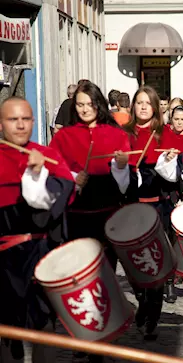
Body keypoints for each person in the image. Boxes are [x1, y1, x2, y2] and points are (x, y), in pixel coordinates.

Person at [0, 97, 74, 362]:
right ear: (1, 123)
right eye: (13, 119)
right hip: (5, 263)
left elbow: (54, 204)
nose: (20, 125)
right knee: (8, 334)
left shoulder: (50, 157)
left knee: (44, 329)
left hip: (42, 255)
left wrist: (36, 175)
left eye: (26, 119)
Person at [49, 82, 133, 269]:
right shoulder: (63, 137)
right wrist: (72, 177)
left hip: (107, 211)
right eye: (80, 105)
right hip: (76, 213)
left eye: (90, 104)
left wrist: (121, 166)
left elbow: (126, 181)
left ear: (98, 104)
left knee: (106, 268)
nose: (85, 109)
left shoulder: (116, 134)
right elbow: (53, 169)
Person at [124, 86, 178, 338]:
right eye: (139, 102)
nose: (143, 107)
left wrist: (168, 160)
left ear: (155, 107)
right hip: (131, 206)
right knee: (132, 265)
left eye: (148, 103)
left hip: (157, 205)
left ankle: (152, 316)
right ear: (133, 107)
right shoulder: (123, 133)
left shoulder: (163, 133)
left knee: (155, 263)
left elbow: (172, 175)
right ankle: (142, 300)